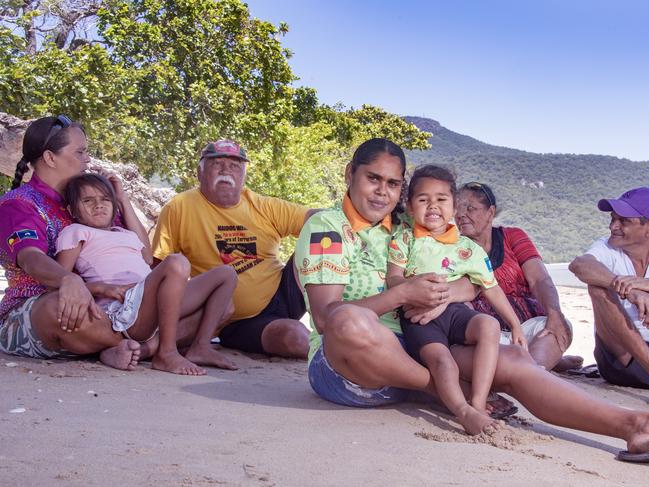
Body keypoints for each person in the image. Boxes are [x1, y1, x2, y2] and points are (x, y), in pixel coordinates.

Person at [295, 137, 649, 461]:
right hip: (350, 369)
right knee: (349, 321)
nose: (381, 192)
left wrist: (438, 295)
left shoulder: (411, 224)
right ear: (350, 174)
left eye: (392, 184)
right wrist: (402, 293)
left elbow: (474, 283)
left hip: (415, 346)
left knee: (511, 358)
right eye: (373, 179)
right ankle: (448, 392)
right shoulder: (327, 227)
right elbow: (327, 319)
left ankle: (632, 426)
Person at [386, 164, 526, 435]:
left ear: (454, 207)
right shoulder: (404, 238)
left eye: (441, 199)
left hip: (455, 313)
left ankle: (478, 400)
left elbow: (491, 288)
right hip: (419, 316)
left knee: (489, 325)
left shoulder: (468, 248)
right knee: (442, 361)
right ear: (411, 207)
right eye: (423, 200)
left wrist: (516, 324)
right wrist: (412, 289)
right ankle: (463, 412)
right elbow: (393, 278)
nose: (433, 206)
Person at [55, 173, 237, 375]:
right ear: (72, 210)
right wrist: (100, 288)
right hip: (124, 308)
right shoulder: (76, 231)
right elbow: (61, 281)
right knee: (176, 262)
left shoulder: (125, 233)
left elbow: (148, 257)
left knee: (226, 276)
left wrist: (122, 198)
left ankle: (200, 346)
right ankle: (166, 353)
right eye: (88, 201)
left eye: (106, 199)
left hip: (149, 300)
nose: (99, 205)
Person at [0, 115, 140, 369]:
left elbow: (139, 251)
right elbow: (30, 258)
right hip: (39, 309)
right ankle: (153, 342)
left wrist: (123, 200)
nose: (87, 159)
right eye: (80, 152)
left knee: (207, 298)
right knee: (59, 308)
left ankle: (115, 345)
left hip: (109, 307)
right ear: (50, 158)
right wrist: (68, 280)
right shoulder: (17, 204)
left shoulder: (90, 199)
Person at [152, 139, 312, 358]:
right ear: (200, 173)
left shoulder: (262, 205)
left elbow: (317, 218)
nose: (226, 170)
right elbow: (159, 270)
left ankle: (337, 318)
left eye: (235, 165)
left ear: (243, 176)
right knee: (298, 341)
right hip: (233, 320)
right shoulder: (179, 208)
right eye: (216, 164)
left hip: (285, 293)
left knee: (322, 232)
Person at [455, 182, 583, 371]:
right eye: (457, 209)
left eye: (471, 208)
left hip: (528, 327)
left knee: (557, 328)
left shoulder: (512, 236)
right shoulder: (453, 248)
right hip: (489, 333)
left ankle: (535, 370)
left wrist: (554, 313)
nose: (461, 214)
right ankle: (539, 369)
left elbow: (539, 279)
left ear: (491, 212)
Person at [570, 187, 649, 389]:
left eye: (624, 221)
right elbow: (579, 265)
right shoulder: (607, 247)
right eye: (613, 219)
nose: (613, 226)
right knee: (597, 287)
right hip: (623, 359)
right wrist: (626, 288)